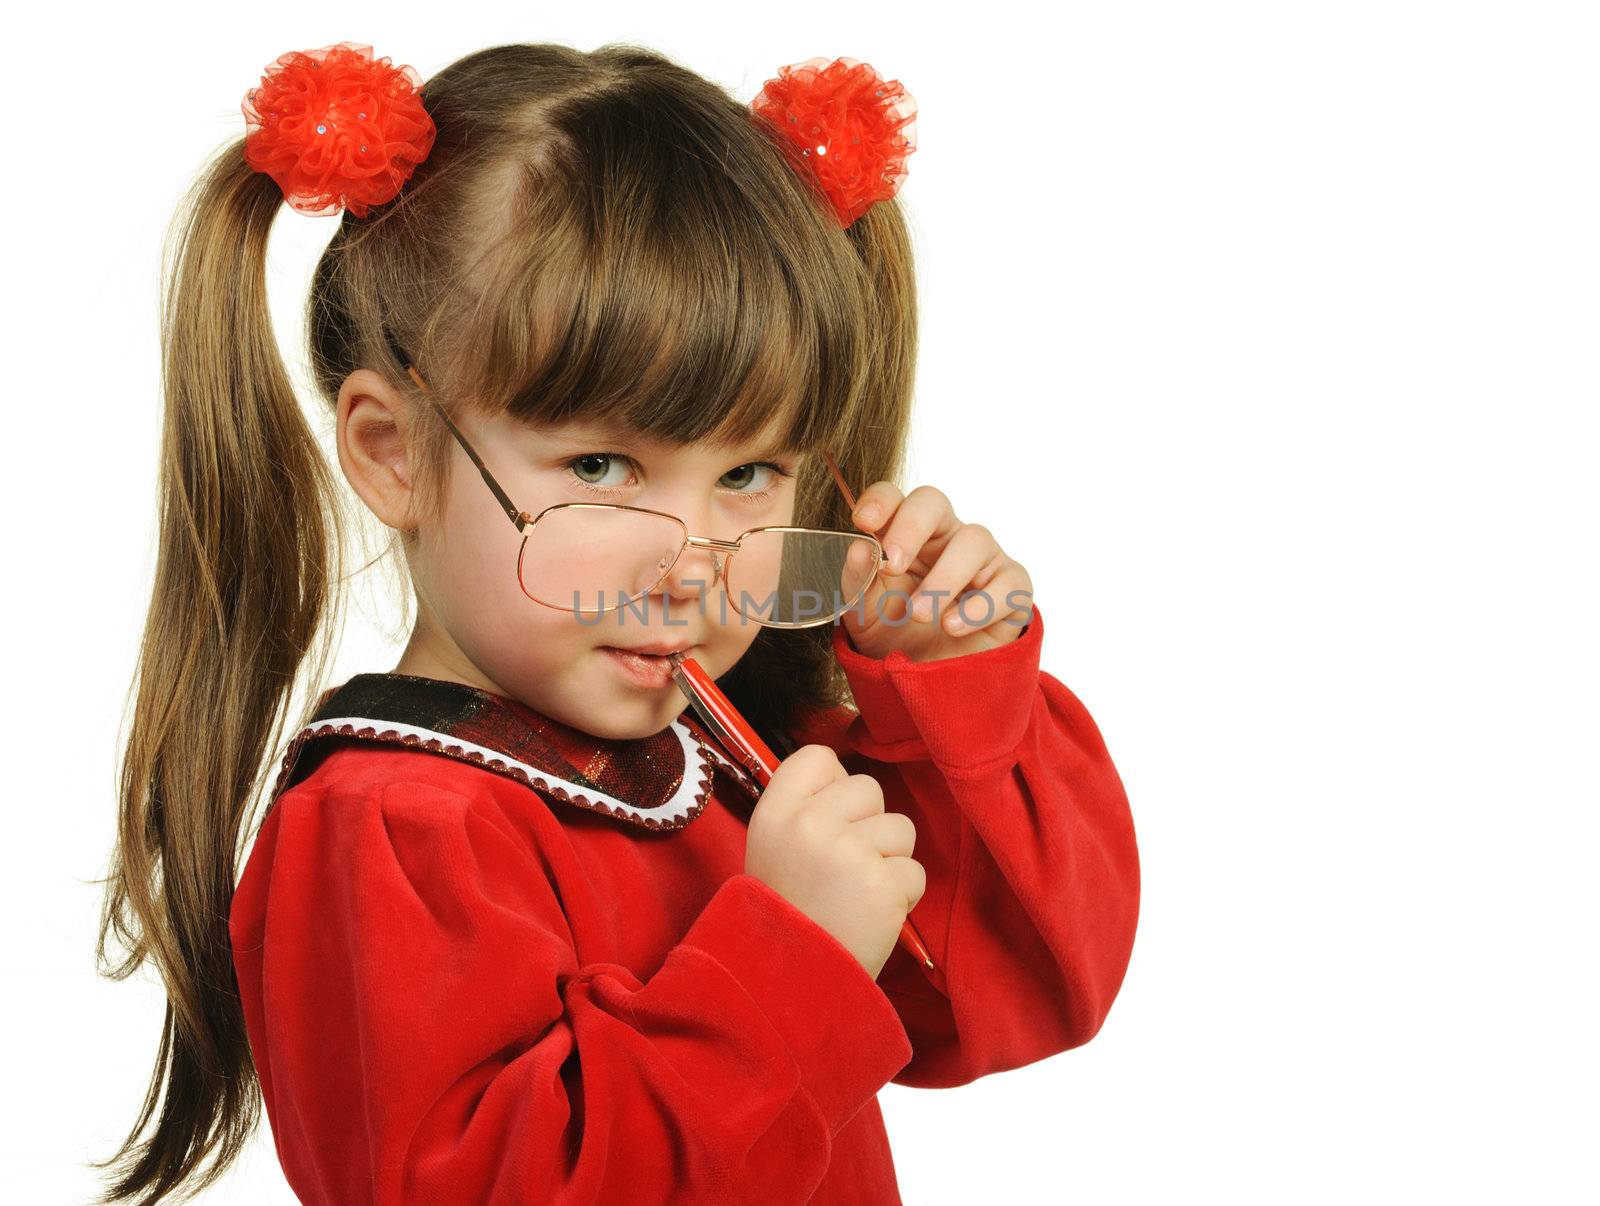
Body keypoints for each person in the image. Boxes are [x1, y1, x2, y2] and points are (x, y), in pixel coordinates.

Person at [93, 39, 1141, 1205]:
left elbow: (1018, 989)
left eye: (750, 474)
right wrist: (787, 960)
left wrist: (952, 698)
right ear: (391, 454)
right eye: (601, 465)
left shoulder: (727, 760)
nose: (691, 567)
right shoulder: (393, 831)